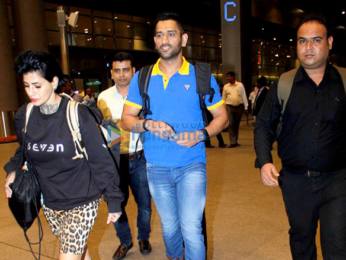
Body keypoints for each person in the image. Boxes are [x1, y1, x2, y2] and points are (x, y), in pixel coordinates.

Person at [121, 12, 228, 260]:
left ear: (184, 38)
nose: (164, 39)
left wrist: (202, 133)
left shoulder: (200, 75)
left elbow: (222, 117)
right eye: (159, 35)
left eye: (171, 33)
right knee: (169, 229)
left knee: (191, 229)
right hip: (156, 166)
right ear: (155, 41)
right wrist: (148, 124)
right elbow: (126, 120)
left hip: (191, 164)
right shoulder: (143, 77)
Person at [4, 50, 123, 260]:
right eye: (26, 85)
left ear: (54, 81)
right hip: (50, 202)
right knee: (79, 252)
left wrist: (113, 200)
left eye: (37, 86)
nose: (31, 92)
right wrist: (12, 170)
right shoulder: (26, 115)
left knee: (68, 256)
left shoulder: (77, 114)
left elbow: (101, 160)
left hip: (82, 200)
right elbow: (23, 150)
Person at [254, 14, 346, 260]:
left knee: (338, 243)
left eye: (316, 40)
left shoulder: (344, 82)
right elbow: (264, 124)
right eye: (302, 41)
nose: (308, 47)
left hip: (337, 180)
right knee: (301, 239)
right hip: (296, 182)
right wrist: (264, 160)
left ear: (330, 42)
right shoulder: (284, 84)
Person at [97, 52, 152, 259]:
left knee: (144, 204)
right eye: (117, 70)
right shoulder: (104, 97)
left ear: (133, 71)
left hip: (141, 158)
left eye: (126, 70)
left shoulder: (143, 95)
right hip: (116, 159)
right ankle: (125, 241)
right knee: (116, 203)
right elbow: (107, 128)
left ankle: (143, 237)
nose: (122, 75)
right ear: (112, 73)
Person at [222, 71, 248, 148]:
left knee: (236, 124)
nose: (227, 78)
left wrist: (246, 107)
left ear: (233, 77)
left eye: (229, 76)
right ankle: (232, 141)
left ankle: (235, 141)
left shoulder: (240, 85)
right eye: (227, 76)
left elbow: (244, 96)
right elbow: (224, 98)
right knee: (231, 124)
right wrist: (223, 108)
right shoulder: (226, 86)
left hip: (239, 107)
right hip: (229, 107)